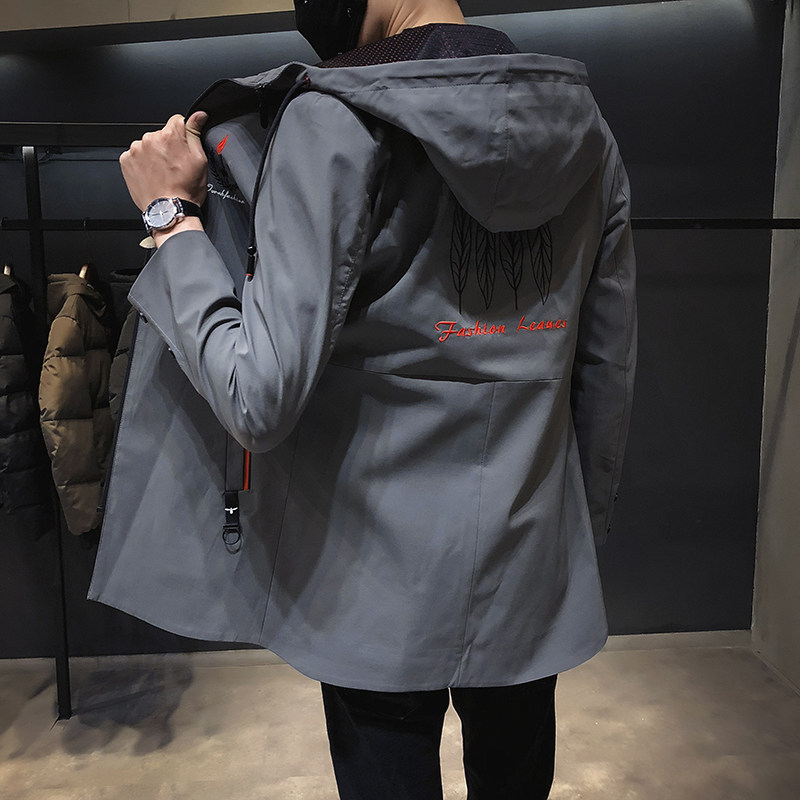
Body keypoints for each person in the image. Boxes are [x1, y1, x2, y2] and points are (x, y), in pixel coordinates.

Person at [99, 0, 636, 797]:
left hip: (372, 592)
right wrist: (570, 548)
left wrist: (170, 219)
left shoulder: (335, 122)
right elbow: (605, 372)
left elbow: (257, 398)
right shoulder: (586, 132)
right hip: (530, 567)